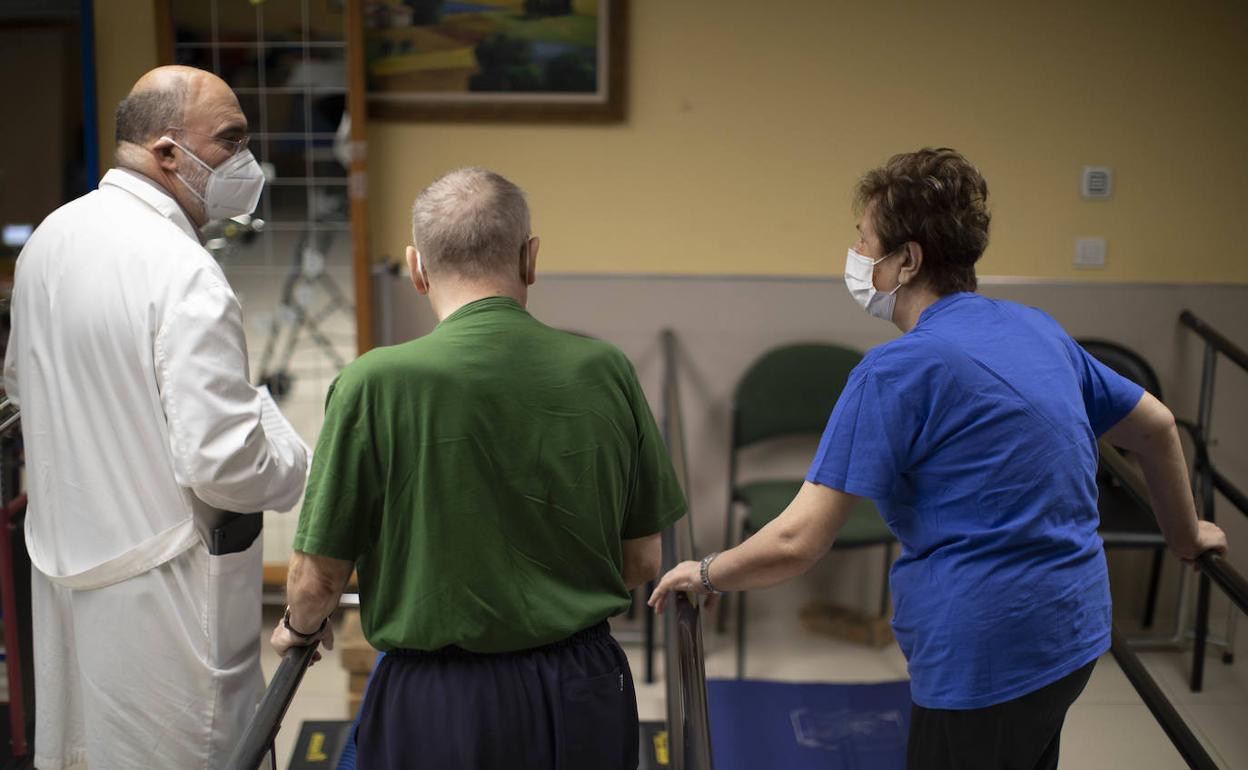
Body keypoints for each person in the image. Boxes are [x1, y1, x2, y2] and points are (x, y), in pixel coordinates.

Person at [649, 148, 1228, 770]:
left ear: (907, 259)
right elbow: (1157, 426)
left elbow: (798, 539)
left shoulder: (896, 369)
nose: (856, 255)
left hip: (985, 652)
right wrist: (1187, 535)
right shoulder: (1035, 327)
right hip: (1073, 631)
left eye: (864, 241)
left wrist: (706, 573)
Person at [271, 167, 686, 770]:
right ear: (530, 258)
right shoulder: (605, 370)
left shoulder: (373, 384)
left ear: (416, 267)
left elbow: (318, 581)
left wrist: (298, 630)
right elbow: (643, 561)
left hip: (438, 699)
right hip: (583, 686)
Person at [4, 66, 310, 769]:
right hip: (166, 591)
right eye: (230, 140)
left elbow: (22, 383)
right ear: (167, 153)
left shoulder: (51, 238)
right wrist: (297, 459)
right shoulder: (182, 269)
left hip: (67, 569)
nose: (246, 161)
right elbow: (225, 466)